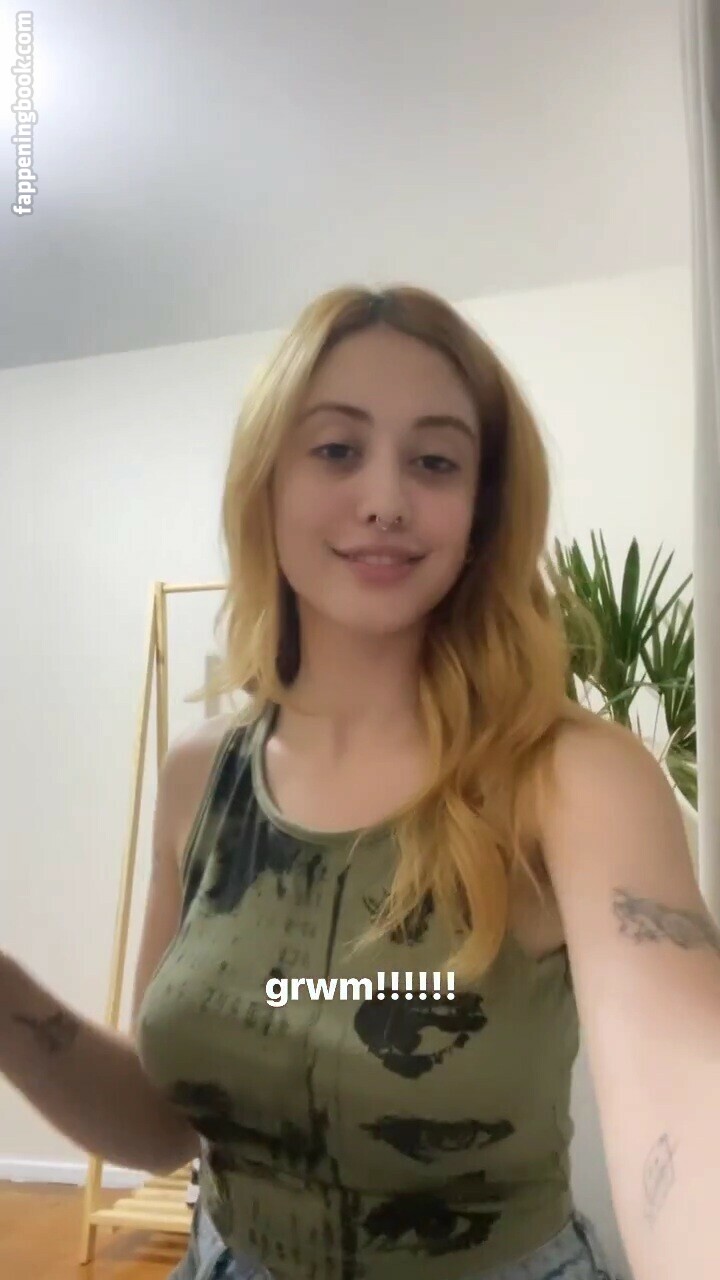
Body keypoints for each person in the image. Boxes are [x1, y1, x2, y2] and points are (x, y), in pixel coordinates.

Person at [9, 281, 691, 1280]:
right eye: (336, 449)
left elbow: (688, 1089)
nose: (384, 498)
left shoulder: (573, 778)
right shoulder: (201, 777)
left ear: (483, 507)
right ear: (266, 482)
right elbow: (158, 1125)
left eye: (435, 460)